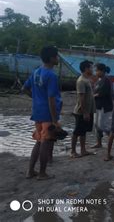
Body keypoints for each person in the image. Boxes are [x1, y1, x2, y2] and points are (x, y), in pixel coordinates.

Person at [23, 46, 62, 180]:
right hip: (47, 114)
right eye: (56, 56)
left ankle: (30, 171)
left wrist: (36, 99)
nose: (58, 58)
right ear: (51, 58)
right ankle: (42, 173)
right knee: (46, 142)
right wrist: (54, 119)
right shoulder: (51, 75)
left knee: (39, 141)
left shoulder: (36, 72)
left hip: (37, 112)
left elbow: (25, 88)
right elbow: (51, 99)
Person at [71, 60, 96, 158]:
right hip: (81, 111)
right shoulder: (81, 81)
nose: (93, 69)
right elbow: (81, 97)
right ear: (86, 69)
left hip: (87, 111)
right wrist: (85, 112)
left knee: (83, 131)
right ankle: (73, 152)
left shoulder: (87, 80)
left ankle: (83, 150)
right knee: (77, 131)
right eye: (91, 67)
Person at [92, 63, 112, 149]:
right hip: (97, 105)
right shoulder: (98, 81)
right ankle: (99, 142)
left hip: (104, 106)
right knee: (96, 125)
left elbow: (102, 93)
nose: (95, 72)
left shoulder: (106, 80)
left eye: (97, 70)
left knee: (102, 125)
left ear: (102, 71)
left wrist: (93, 96)